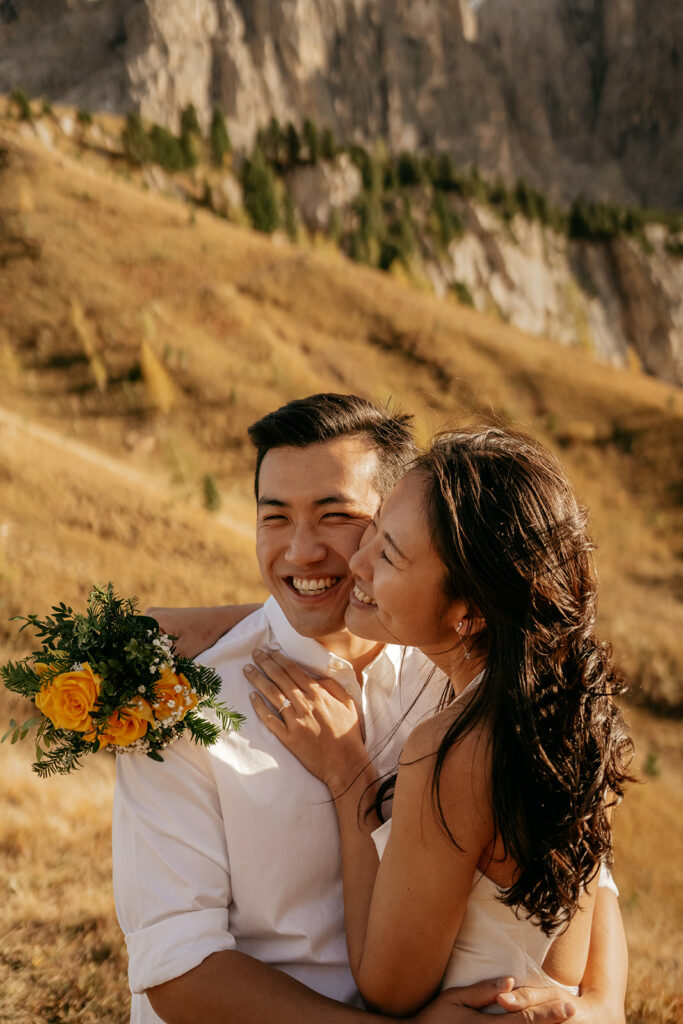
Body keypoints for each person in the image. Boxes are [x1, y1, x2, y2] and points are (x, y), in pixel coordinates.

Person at [113, 395, 628, 1024]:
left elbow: (589, 874)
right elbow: (178, 970)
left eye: (339, 517)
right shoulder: (175, 699)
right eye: (274, 517)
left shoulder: (449, 675)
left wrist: (599, 1011)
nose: (302, 552)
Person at [243, 426, 633, 1016]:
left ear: (468, 612)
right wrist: (603, 1005)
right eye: (373, 531)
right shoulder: (574, 716)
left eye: (390, 554)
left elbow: (389, 987)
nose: (357, 560)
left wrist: (349, 775)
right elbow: (599, 888)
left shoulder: (452, 750)